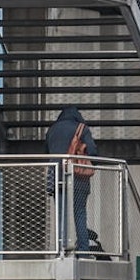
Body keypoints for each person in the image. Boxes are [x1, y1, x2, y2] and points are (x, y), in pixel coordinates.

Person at [44, 106, 99, 253]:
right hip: (77, 177)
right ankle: (83, 249)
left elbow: (46, 151)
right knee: (79, 212)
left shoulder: (52, 130)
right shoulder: (82, 128)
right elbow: (93, 152)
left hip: (56, 175)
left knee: (61, 214)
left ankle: (61, 249)